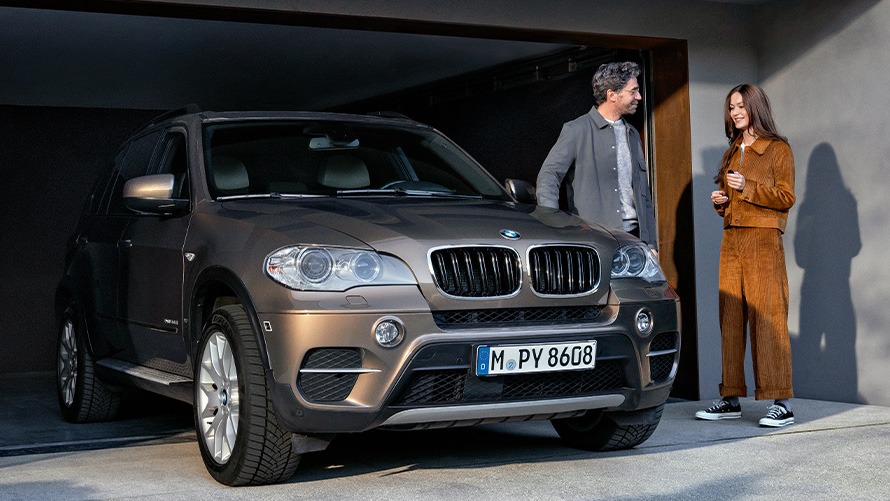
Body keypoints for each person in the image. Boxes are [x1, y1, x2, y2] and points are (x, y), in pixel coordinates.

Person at [696, 83, 796, 427]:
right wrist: (721, 202)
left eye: (740, 106)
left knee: (768, 319)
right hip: (732, 242)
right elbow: (732, 202)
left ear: (755, 107)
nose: (735, 112)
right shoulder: (733, 150)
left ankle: (782, 403)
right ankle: (730, 398)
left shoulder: (778, 149)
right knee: (730, 319)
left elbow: (786, 197)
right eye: (731, 107)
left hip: (763, 242)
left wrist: (747, 187)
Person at [536, 61, 657, 254]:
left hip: (635, 242)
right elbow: (549, 176)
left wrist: (651, 244)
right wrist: (552, 221)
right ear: (612, 95)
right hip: (594, 241)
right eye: (633, 92)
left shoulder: (632, 134)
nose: (639, 97)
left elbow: (644, 194)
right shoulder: (576, 130)